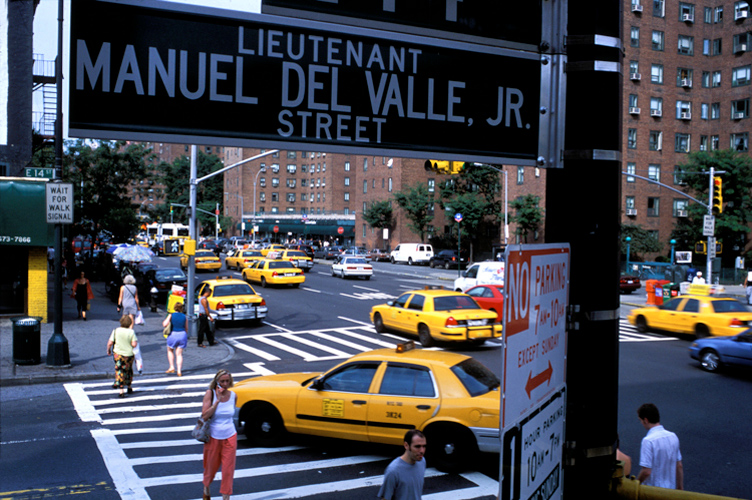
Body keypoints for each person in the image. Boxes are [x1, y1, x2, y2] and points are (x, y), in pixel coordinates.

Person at [201, 369, 237, 500]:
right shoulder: (210, 394)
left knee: (228, 470)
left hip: (230, 435)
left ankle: (225, 497)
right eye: (222, 381)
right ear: (217, 381)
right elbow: (204, 416)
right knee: (210, 468)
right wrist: (217, 401)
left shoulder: (233, 395)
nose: (225, 383)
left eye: (228, 381)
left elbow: (231, 414)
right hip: (213, 437)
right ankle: (206, 488)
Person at [636, 403, 683, 490]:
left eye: (640, 420)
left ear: (645, 420)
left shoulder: (648, 441)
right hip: (671, 490)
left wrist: (636, 484)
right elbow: (679, 465)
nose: (641, 423)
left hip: (653, 491)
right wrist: (680, 486)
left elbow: (646, 471)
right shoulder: (673, 436)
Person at [377, 429, 427, 500]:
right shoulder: (393, 471)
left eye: (424, 446)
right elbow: (385, 498)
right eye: (417, 447)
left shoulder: (422, 462)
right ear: (406, 445)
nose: (422, 451)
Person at [107, 316, 139, 398]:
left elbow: (110, 343)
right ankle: (129, 386)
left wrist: (108, 350)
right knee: (128, 370)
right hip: (129, 355)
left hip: (118, 354)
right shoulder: (131, 332)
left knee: (119, 370)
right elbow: (134, 344)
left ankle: (121, 389)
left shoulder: (115, 331)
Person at [163, 301, 188, 376]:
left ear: (174, 308)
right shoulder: (184, 316)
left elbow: (164, 324)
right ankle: (179, 371)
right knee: (179, 354)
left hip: (173, 334)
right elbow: (186, 328)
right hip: (182, 334)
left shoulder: (171, 315)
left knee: (170, 350)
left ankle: (171, 367)